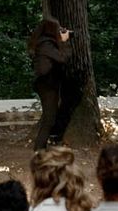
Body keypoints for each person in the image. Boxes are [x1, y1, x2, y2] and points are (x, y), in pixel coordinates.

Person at [29, 19, 81, 150]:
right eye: (58, 28)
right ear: (51, 30)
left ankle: (46, 144)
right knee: (49, 119)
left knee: (52, 116)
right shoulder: (46, 44)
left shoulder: (45, 43)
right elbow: (63, 58)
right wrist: (65, 41)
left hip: (48, 83)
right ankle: (39, 149)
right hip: (47, 84)